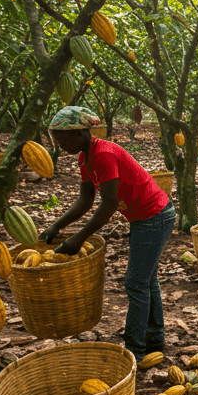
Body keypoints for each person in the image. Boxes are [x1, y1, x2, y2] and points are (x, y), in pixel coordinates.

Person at [40, 106, 176, 358]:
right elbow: (85, 200)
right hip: (146, 216)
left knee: (136, 283)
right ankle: (153, 338)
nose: (60, 145)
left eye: (63, 139)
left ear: (81, 133)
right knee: (146, 280)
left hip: (154, 216)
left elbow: (109, 204)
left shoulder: (102, 155)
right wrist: (57, 226)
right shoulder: (86, 157)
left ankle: (134, 351)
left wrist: (78, 238)